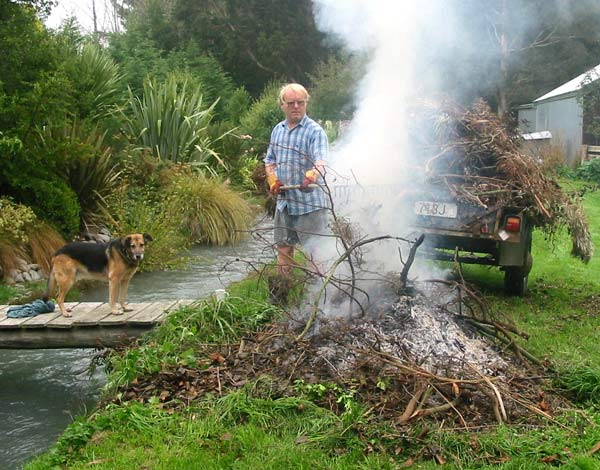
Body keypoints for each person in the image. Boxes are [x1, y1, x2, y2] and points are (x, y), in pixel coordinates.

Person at [264, 83, 329, 278]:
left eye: (300, 102)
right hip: (284, 204)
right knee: (284, 249)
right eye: (291, 103)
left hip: (310, 205)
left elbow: (321, 160)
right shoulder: (278, 130)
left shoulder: (315, 131)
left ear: (306, 103)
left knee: (315, 254)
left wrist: (312, 175)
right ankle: (282, 293)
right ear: (282, 105)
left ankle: (319, 297)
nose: (296, 107)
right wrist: (272, 179)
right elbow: (270, 160)